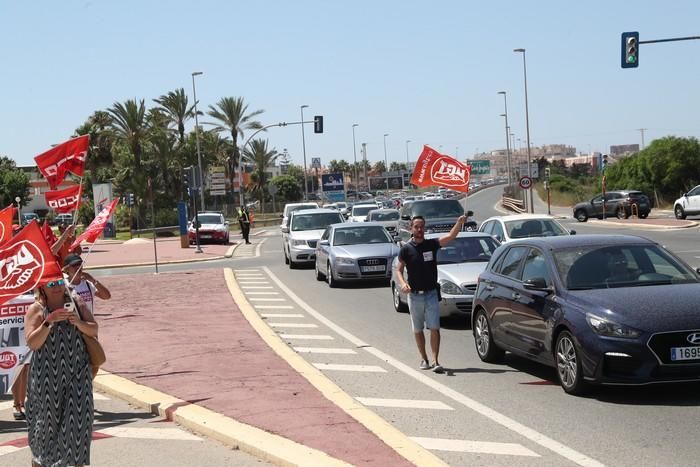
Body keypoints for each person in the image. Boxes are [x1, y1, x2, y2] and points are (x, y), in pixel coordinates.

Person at [24, 280, 96, 467]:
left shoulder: (76, 302)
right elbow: (33, 343)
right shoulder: (37, 309)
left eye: (59, 282)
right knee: (46, 428)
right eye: (50, 283)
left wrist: (78, 322)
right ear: (42, 287)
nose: (56, 286)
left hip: (77, 374)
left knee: (79, 426)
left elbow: (93, 329)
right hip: (46, 378)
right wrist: (49, 322)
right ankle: (39, 462)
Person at [395, 213, 466, 373]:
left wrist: (459, 223)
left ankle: (435, 361)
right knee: (418, 329)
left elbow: (451, 236)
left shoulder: (431, 244)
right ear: (411, 229)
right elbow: (398, 269)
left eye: (422, 227)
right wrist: (403, 283)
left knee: (434, 327)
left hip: (431, 294)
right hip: (414, 296)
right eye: (416, 227)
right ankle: (424, 358)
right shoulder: (406, 249)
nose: (420, 229)